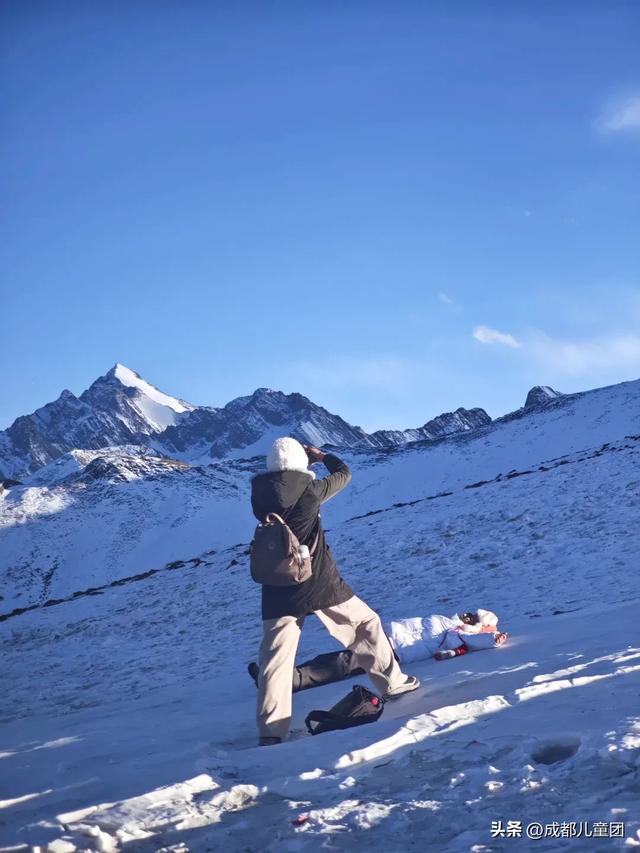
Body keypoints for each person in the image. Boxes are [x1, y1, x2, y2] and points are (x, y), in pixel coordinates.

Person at [251, 437, 419, 745]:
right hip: (318, 581)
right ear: (299, 463)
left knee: (275, 659)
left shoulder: (259, 496)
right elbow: (344, 474)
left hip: (276, 585)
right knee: (365, 624)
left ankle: (271, 731)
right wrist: (322, 456)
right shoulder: (309, 491)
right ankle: (393, 682)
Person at [248, 609, 508, 693]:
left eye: (473, 618)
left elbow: (467, 641)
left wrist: (492, 638)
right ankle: (281, 677)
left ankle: (280, 680)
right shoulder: (448, 623)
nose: (467, 616)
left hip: (392, 649)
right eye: (470, 614)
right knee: (338, 661)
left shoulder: (455, 633)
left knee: (341, 664)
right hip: (385, 639)